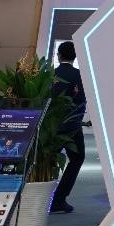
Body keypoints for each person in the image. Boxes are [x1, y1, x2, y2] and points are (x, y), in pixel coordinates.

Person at [49, 42, 87, 214]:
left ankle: (39, 196)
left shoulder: (50, 74)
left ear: (59, 55)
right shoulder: (79, 76)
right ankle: (59, 199)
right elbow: (81, 101)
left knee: (48, 160)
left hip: (50, 127)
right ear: (75, 56)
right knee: (77, 158)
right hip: (72, 126)